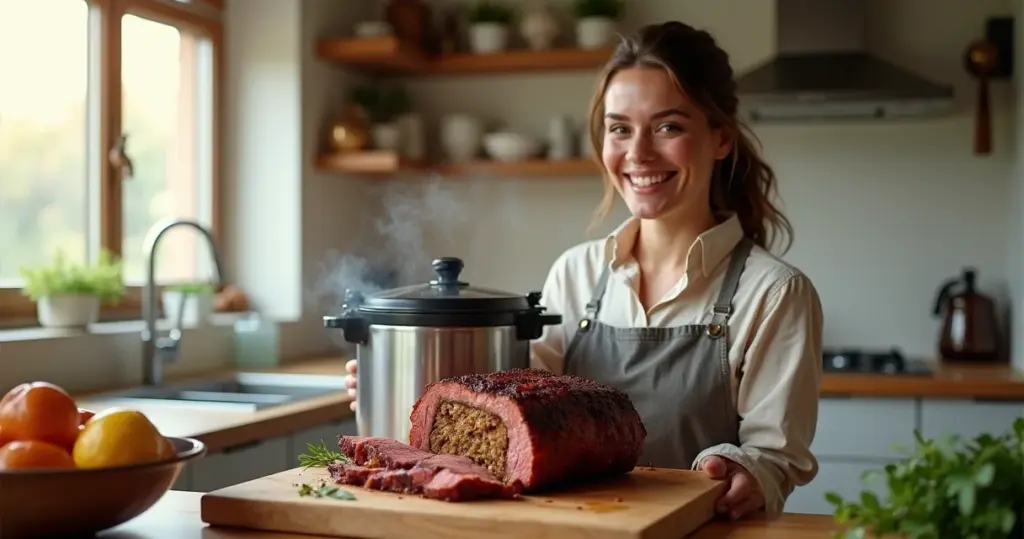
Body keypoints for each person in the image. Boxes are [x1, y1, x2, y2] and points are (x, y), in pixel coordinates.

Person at [344, 20, 823, 521]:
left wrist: (745, 470)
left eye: (668, 126)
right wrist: (392, 379)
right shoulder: (575, 274)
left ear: (720, 138)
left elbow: (774, 459)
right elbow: (512, 425)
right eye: (620, 128)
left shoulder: (773, 293)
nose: (638, 153)